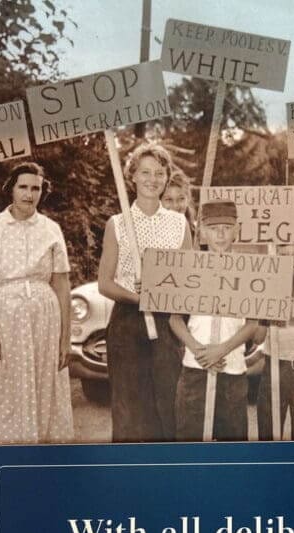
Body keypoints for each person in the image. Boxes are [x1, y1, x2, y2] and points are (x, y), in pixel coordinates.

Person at [0, 162, 73, 449]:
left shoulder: (51, 229)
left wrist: (65, 338)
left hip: (44, 324)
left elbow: (61, 285)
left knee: (42, 388)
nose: (29, 194)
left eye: (35, 188)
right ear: (11, 188)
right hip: (2, 322)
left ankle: (39, 466)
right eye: (23, 186)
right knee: (1, 389)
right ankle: (0, 464)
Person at [98, 142, 192, 442]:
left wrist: (163, 294)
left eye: (160, 173)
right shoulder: (117, 224)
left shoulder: (179, 223)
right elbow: (105, 283)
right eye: (145, 172)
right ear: (133, 176)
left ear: (167, 177)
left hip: (168, 323)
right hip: (127, 323)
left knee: (168, 405)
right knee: (129, 410)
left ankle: (168, 478)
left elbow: (190, 279)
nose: (153, 179)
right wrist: (140, 298)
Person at [169, 200, 258, 441]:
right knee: (190, 442)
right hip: (195, 369)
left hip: (232, 369)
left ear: (237, 230)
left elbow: (252, 324)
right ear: (202, 231)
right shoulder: (189, 268)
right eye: (213, 227)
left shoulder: (250, 271)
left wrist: (221, 350)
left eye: (227, 227)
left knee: (232, 445)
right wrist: (200, 351)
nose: (220, 234)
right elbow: (175, 320)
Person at [254, 244, 294, 441]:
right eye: (285, 254)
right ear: (277, 255)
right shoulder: (269, 289)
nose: (292, 260)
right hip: (275, 365)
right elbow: (257, 338)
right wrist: (266, 315)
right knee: (269, 432)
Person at [160, 168, 197, 240]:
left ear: (188, 199)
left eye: (181, 199)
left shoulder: (197, 236)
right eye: (169, 200)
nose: (175, 206)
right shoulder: (152, 234)